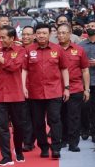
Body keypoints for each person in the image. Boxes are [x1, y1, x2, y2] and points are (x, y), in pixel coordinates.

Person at [22, 23, 70, 159]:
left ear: (49, 34)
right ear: (35, 35)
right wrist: (23, 87)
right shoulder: (29, 50)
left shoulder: (58, 49)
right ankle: (43, 146)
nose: (41, 36)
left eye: (44, 33)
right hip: (35, 92)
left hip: (54, 91)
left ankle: (55, 148)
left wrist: (66, 88)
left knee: (55, 120)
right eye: (39, 33)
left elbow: (64, 69)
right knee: (37, 122)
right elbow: (24, 69)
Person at [0, 26, 26, 166]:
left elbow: (14, 67)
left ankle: (19, 151)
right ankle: (6, 157)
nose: (0, 40)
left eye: (3, 37)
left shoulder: (20, 50)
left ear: (12, 38)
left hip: (15, 94)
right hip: (0, 94)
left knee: (18, 126)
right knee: (2, 127)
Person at [57, 23, 90, 152]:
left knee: (74, 116)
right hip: (56, 89)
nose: (61, 35)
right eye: (59, 33)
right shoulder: (53, 50)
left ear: (70, 33)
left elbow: (85, 70)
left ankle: (73, 142)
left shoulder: (79, 49)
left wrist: (86, 89)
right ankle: (62, 140)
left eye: (64, 32)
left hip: (75, 87)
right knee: (59, 116)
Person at [79, 20, 95, 143]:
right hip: (85, 82)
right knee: (84, 108)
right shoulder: (81, 45)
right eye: (88, 26)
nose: (90, 27)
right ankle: (85, 129)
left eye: (93, 26)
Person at [21, 26, 36, 151]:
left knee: (36, 116)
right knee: (24, 116)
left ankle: (32, 139)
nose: (26, 37)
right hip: (20, 87)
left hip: (37, 88)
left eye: (28, 34)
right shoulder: (17, 49)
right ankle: (27, 141)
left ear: (34, 36)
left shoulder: (38, 49)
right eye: (24, 34)